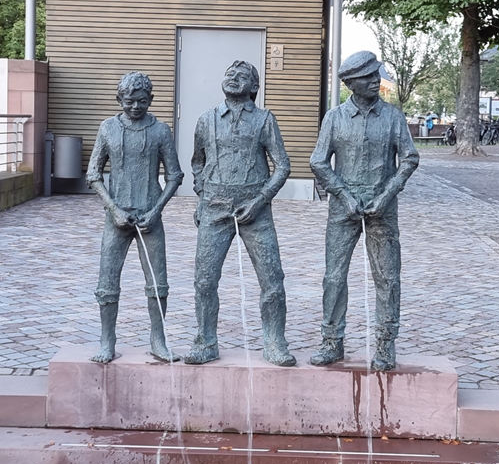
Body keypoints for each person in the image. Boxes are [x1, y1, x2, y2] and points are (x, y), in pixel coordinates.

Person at [309, 51, 420, 371]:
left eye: (376, 74)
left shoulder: (393, 116)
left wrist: (387, 195)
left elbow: (409, 158)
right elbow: (318, 161)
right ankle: (332, 340)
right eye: (369, 76)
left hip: (382, 208)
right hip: (343, 208)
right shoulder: (335, 117)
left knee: (387, 277)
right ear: (350, 83)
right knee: (334, 277)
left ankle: (386, 343)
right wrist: (342, 195)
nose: (376, 81)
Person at [184, 60, 296, 367]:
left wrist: (259, 201)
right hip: (214, 209)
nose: (234, 79)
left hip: (255, 211)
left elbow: (283, 166)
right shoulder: (207, 120)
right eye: (230, 74)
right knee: (204, 281)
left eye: (242, 76)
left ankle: (274, 342)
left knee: (272, 278)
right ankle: (206, 341)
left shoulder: (264, 120)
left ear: (254, 87)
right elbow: (197, 162)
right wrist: (203, 195)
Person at [86, 71, 183, 363]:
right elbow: (93, 174)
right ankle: (107, 340)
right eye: (129, 101)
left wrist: (156, 210)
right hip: (116, 218)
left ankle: (158, 339)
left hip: (150, 217)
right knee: (107, 282)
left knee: (158, 283)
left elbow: (175, 175)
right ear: (119, 100)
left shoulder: (161, 131)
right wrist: (113, 209)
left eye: (142, 101)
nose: (136, 107)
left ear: (151, 100)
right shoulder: (107, 129)